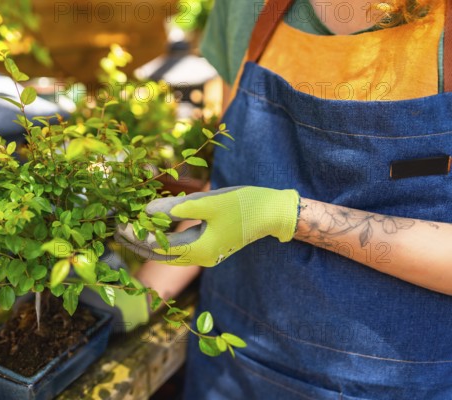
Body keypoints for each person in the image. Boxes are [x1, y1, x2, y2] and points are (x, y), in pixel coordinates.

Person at [115, 0, 452, 398]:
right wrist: (138, 295)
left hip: (387, 385)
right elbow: (233, 181)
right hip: (234, 365)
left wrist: (289, 216)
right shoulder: (245, 9)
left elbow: (256, 209)